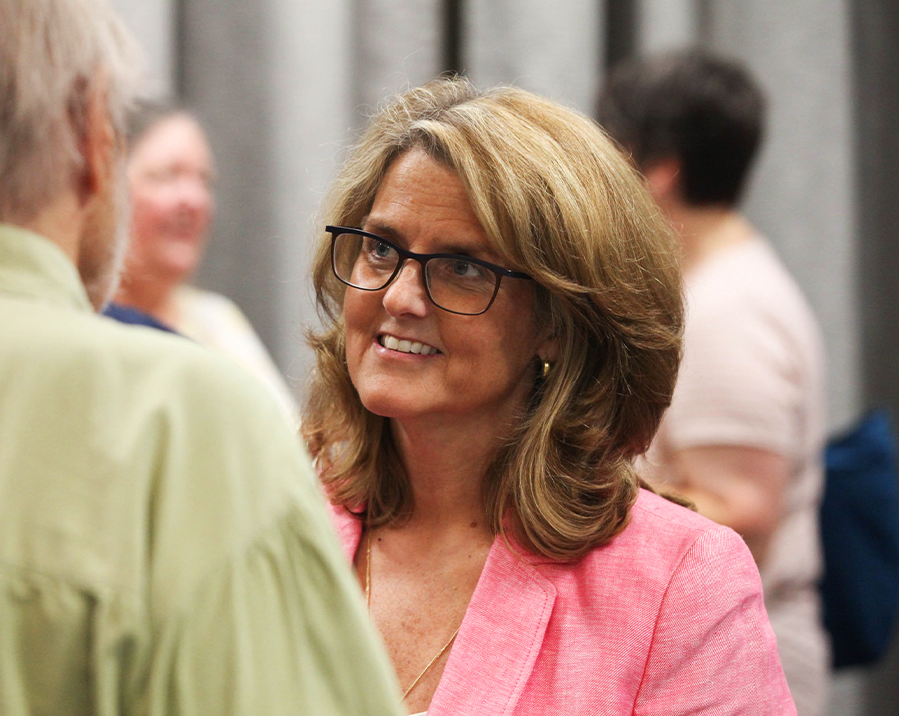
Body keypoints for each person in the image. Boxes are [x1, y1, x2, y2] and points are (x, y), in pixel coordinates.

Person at [0, 1, 403, 714]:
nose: (407, 296)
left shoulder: (209, 352)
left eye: (204, 179)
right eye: (382, 250)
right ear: (96, 140)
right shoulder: (178, 425)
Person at [303, 76, 794, 715]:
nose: (398, 297)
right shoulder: (274, 522)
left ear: (558, 325)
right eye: (379, 249)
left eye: (463, 268)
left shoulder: (679, 580)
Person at [597, 49, 829, 715]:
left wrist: (571, 489)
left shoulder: (728, 313)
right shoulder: (717, 287)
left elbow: (743, 509)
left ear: (659, 170)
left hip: (738, 650)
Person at [107, 100, 296, 419]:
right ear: (107, 185)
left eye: (204, 181)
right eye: (167, 176)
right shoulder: (80, 325)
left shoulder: (218, 319)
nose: (194, 201)